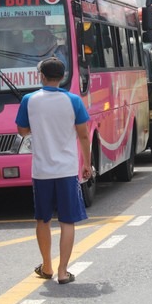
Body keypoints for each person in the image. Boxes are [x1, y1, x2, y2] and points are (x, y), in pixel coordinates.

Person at [15, 57, 92, 284]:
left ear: (41, 76)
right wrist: (87, 164)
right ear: (62, 76)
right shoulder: (73, 100)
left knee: (43, 219)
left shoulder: (29, 100)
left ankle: (47, 266)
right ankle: (63, 271)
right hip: (67, 170)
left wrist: (38, 127)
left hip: (42, 171)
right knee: (68, 221)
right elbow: (83, 135)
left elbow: (22, 130)